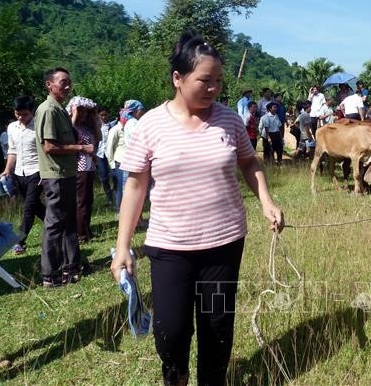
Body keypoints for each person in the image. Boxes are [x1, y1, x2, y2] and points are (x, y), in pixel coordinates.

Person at [110, 30, 284, 386]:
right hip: (171, 247)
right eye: (205, 80)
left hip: (223, 244)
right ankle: (177, 376)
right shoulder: (149, 126)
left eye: (218, 81)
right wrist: (122, 246)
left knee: (216, 326)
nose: (214, 88)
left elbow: (249, 164)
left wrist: (266, 200)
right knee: (171, 332)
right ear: (178, 78)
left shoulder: (229, 120)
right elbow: (135, 185)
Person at [35, 68, 91, 287]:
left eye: (69, 82)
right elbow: (49, 146)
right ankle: (51, 274)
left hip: (66, 174)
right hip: (56, 176)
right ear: (50, 85)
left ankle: (71, 266)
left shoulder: (59, 109)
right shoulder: (48, 109)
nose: (67, 86)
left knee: (68, 222)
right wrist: (80, 147)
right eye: (62, 82)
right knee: (55, 224)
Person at [0, 96, 45, 254]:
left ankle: (19, 241)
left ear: (31, 112)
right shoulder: (12, 127)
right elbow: (13, 150)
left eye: (24, 114)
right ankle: (58, 225)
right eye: (17, 114)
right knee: (34, 205)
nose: (20, 117)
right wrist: (7, 170)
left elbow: (46, 151)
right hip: (20, 173)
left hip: (37, 171)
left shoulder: (39, 126)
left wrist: (45, 174)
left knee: (28, 207)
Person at [67, 96, 101, 243]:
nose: (83, 114)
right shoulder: (71, 126)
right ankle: (81, 233)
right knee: (81, 201)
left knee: (88, 199)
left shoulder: (87, 127)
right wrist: (74, 114)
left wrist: (93, 118)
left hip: (89, 166)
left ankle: (85, 229)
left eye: (84, 112)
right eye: (80, 111)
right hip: (79, 167)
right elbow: (68, 136)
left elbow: (98, 138)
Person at [96, 109, 116, 205]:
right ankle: (109, 198)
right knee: (104, 177)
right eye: (101, 115)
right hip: (100, 154)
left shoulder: (113, 125)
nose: (103, 117)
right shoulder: (96, 126)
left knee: (114, 174)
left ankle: (116, 194)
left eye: (105, 115)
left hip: (111, 153)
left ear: (108, 115)